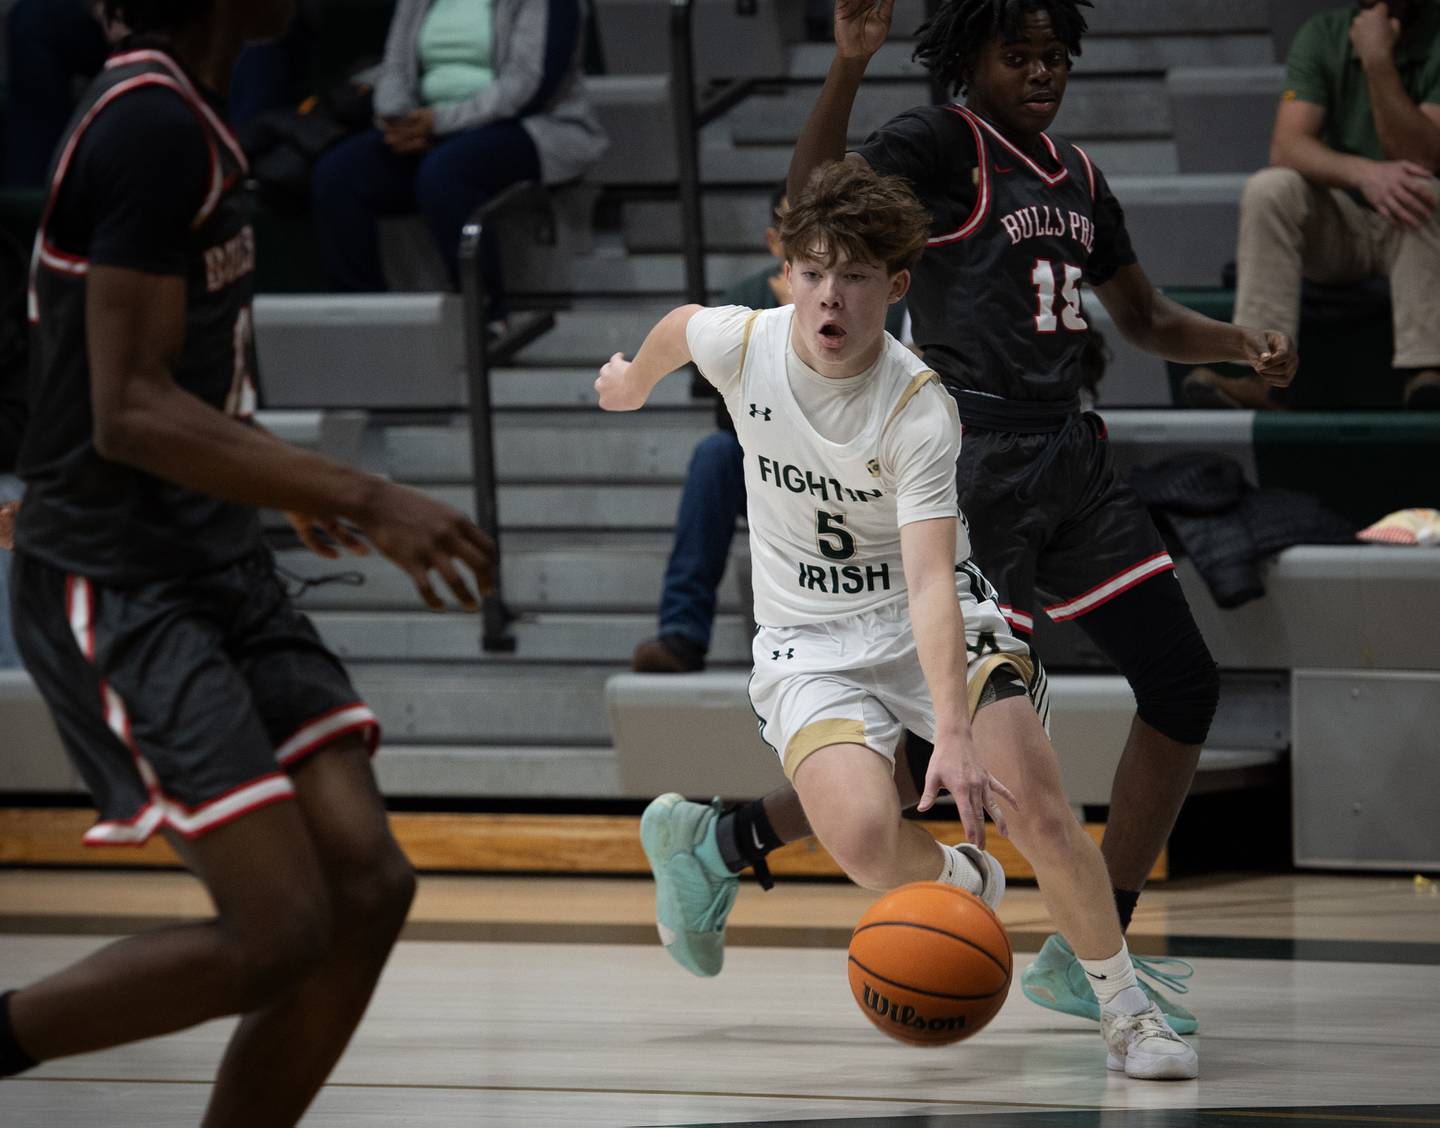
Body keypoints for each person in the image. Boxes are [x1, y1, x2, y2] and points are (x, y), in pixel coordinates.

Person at [640, 0, 1299, 1039]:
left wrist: (1238, 342)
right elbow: (816, 204)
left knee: (1180, 683)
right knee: (945, 750)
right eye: (1017, 53)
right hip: (964, 457)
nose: (1040, 71)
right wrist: (849, 66)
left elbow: (1144, 319)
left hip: (1070, 455)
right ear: (970, 58)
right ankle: (720, 846)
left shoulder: (1079, 177)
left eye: (1054, 55)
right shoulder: (942, 143)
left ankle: (1093, 940)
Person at [0, 3, 497, 1123]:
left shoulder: (195, 108)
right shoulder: (147, 121)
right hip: (124, 575)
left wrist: (271, 477)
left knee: (368, 886)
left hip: (213, 552)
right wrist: (362, 494)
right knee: (277, 930)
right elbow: (126, 410)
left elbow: (180, 381)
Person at [601, 160, 1198, 1080]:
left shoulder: (920, 408)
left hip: (933, 616)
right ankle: (967, 889)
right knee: (865, 839)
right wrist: (632, 381)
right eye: (812, 273)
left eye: (854, 277)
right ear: (786, 274)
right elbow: (679, 328)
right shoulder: (742, 343)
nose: (830, 298)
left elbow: (928, 586)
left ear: (897, 285)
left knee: (1036, 806)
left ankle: (1124, 1009)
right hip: (812, 645)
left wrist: (952, 734)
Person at [633, 185, 910, 674]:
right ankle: (681, 633)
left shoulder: (871, 292)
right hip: (774, 467)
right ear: (776, 244)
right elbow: (726, 410)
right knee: (714, 456)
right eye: (798, 231)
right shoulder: (746, 300)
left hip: (863, 465)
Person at [1186, 0, 1440, 410]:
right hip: (1346, 226)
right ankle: (1261, 374)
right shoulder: (1323, 34)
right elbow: (1287, 146)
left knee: (1425, 186)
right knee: (1271, 187)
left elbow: (1422, 153)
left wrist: (1377, 60)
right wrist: (1365, 174)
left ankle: (1428, 370)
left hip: (1422, 235)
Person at [309, 0, 607, 323]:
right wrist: (398, 119)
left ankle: (486, 314)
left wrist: (440, 122)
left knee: (445, 172)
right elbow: (394, 66)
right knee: (337, 175)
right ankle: (365, 321)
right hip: (427, 127)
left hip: (527, 126)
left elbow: (527, 85)